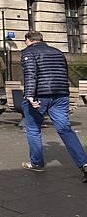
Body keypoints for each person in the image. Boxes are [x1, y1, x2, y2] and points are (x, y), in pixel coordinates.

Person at [20, 31, 87, 182]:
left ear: (28, 40)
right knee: (65, 129)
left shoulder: (28, 52)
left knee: (33, 129)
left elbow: (30, 74)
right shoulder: (57, 52)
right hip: (60, 94)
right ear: (42, 40)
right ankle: (84, 164)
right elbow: (63, 72)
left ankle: (37, 163)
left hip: (39, 96)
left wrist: (29, 95)